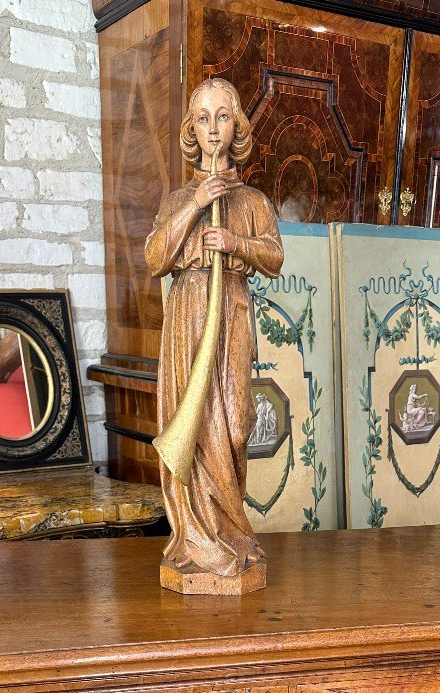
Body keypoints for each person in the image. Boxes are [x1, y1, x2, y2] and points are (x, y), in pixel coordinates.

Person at [145, 78, 283, 580]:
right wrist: (197, 202)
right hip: (188, 312)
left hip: (232, 312)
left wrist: (235, 244)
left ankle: (232, 532)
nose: (213, 128)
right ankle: (195, 538)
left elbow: (274, 255)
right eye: (202, 118)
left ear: (237, 125)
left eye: (222, 116)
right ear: (191, 129)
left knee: (234, 422)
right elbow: (157, 257)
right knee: (194, 419)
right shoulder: (180, 197)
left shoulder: (251, 200)